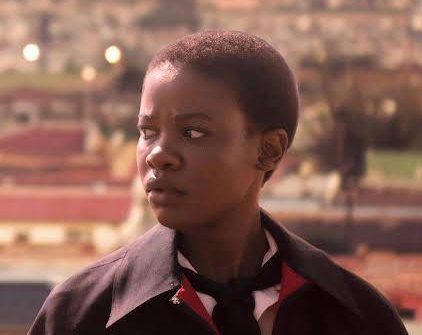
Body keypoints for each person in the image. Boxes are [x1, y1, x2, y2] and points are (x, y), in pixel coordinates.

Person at [29, 30, 408, 334]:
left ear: (269, 150)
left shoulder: (357, 317)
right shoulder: (79, 317)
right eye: (147, 131)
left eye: (193, 132)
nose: (157, 154)